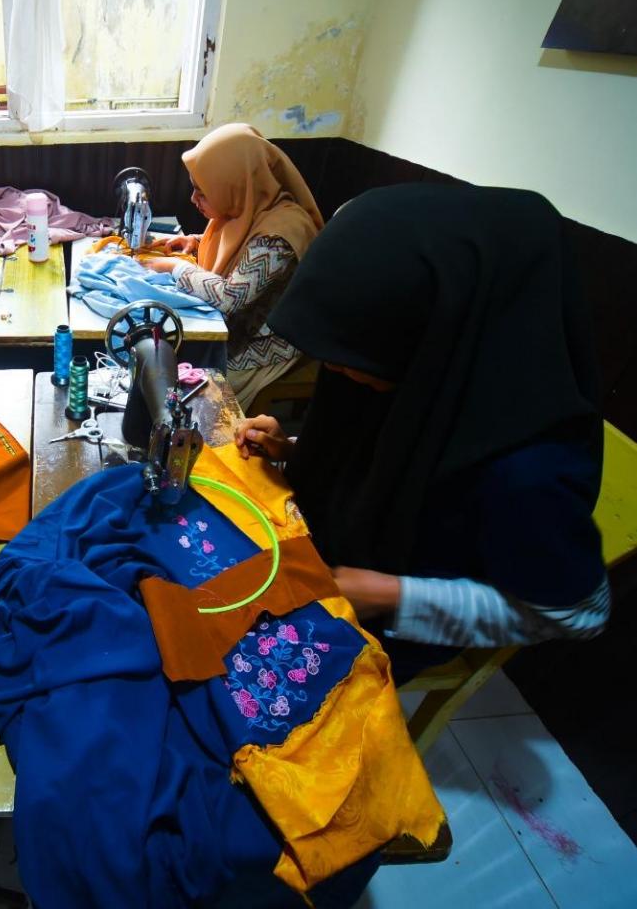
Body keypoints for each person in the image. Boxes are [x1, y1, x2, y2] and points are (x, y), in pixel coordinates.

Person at [232, 183, 610, 682]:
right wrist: (296, 450)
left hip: (398, 617)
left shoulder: (529, 469)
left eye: (350, 362)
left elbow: (579, 612)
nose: (335, 371)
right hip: (346, 560)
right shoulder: (426, 372)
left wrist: (391, 594)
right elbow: (404, 456)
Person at [145, 123, 323, 409]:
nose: (193, 199)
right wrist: (195, 241)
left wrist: (174, 268)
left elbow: (230, 297)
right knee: (167, 360)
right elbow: (241, 243)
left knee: (194, 395)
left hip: (268, 345)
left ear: (235, 184)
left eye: (202, 192)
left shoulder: (280, 235)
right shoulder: (248, 207)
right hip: (239, 328)